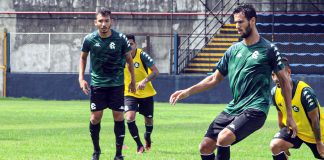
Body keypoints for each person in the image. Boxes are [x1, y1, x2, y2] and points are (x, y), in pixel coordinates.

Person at [169, 4, 297, 160]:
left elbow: (285, 82)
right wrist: (187, 91)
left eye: (240, 22)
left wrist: (289, 115)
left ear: (252, 21)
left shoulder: (269, 49)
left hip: (256, 109)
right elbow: (214, 78)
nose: (237, 26)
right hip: (234, 107)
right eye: (235, 22)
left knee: (223, 138)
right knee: (205, 147)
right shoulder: (233, 50)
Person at [78, 8, 136, 160]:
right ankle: (96, 151)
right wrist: (81, 78)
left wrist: (132, 81)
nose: (103, 24)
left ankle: (118, 154)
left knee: (118, 116)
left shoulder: (120, 38)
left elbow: (129, 60)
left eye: (106, 21)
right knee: (95, 117)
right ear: (95, 22)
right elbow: (83, 58)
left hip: (116, 84)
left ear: (111, 22)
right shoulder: (89, 39)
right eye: (100, 21)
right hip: (98, 84)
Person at [270, 57, 324, 160]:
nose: (275, 78)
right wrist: (283, 140)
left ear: (288, 72)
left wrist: (319, 142)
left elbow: (315, 120)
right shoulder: (274, 92)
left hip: (317, 133)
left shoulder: (305, 93)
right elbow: (281, 119)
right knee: (275, 146)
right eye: (273, 75)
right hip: (295, 132)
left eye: (278, 74)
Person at [124, 34, 159, 154]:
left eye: (131, 44)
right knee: (129, 117)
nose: (129, 46)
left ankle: (147, 137)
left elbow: (155, 71)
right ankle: (139, 145)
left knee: (149, 120)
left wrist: (144, 81)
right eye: (127, 44)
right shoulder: (120, 57)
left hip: (146, 93)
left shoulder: (142, 55)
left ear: (135, 44)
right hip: (129, 93)